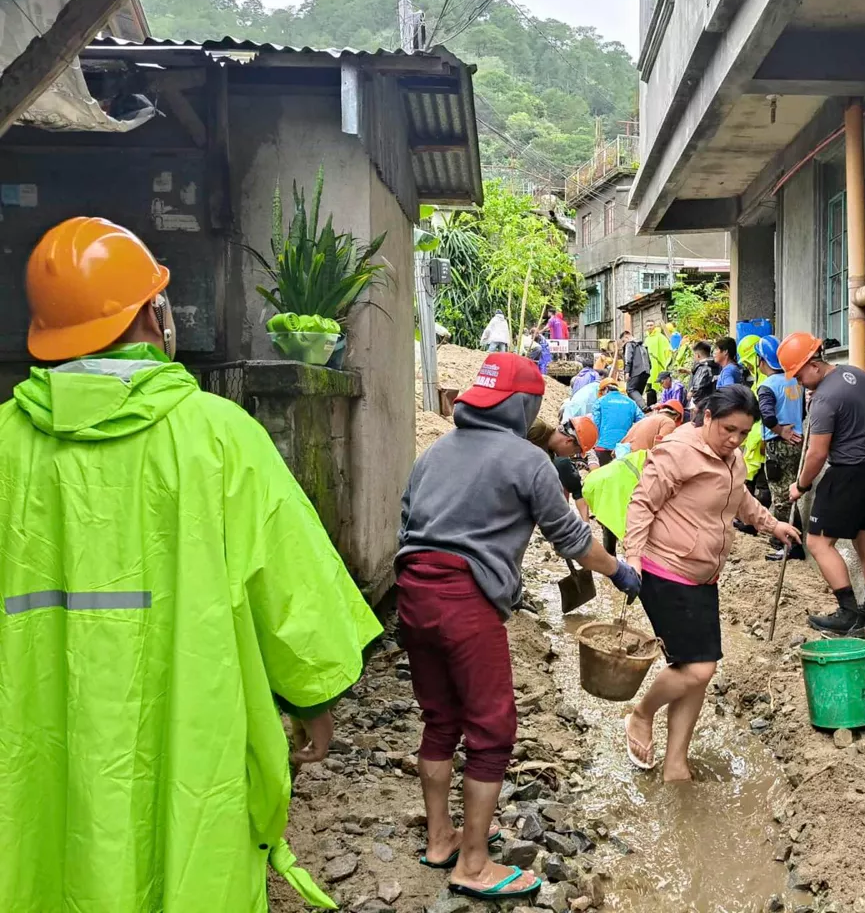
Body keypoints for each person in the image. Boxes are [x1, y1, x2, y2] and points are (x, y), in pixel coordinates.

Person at [0, 217, 383, 912]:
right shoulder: (219, 438)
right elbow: (298, 606)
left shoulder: (5, 448)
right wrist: (311, 706)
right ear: (155, 314)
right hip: (190, 760)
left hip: (31, 772)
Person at [397, 353, 640, 902]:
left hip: (413, 591)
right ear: (523, 405)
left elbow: (406, 522)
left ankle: (441, 840)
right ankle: (475, 863)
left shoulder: (433, 454)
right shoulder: (527, 460)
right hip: (466, 599)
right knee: (493, 728)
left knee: (440, 718)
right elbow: (574, 540)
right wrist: (621, 570)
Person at [622, 386, 802, 782]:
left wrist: (772, 524)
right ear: (706, 417)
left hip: (704, 574)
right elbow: (642, 503)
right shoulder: (677, 451)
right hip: (664, 569)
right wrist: (632, 556)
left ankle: (675, 763)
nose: (735, 440)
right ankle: (641, 714)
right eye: (727, 429)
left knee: (695, 668)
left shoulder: (732, 458)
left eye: (743, 432)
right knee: (698, 670)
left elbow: (740, 500)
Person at [780, 332, 865, 635]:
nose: (798, 382)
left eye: (799, 375)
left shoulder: (824, 399)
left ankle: (849, 613)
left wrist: (800, 485)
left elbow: (816, 454)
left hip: (848, 474)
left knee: (817, 541)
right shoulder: (855, 374)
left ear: (813, 364)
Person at [756, 335, 806, 562]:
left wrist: (780, 430)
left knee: (781, 496)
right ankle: (794, 541)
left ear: (762, 361)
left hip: (779, 446)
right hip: (798, 443)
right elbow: (802, 413)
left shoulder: (767, 386)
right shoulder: (794, 380)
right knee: (791, 493)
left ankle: (787, 545)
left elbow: (767, 416)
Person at [528, 414, 599, 521]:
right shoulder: (536, 429)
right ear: (569, 441)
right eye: (575, 451)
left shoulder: (549, 456)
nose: (570, 455)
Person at [592, 380, 645, 465]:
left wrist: (598, 440)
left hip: (604, 445)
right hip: (624, 447)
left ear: (606, 389)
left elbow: (596, 423)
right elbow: (642, 421)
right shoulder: (631, 402)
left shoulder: (600, 401)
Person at [688, 340, 718, 421]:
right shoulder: (717, 366)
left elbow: (698, 387)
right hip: (713, 404)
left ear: (698, 355)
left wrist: (696, 404)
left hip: (701, 406)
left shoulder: (702, 368)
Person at [622, 328, 651, 410]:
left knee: (630, 389)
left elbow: (628, 358)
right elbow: (649, 360)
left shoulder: (629, 344)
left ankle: (643, 407)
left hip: (636, 370)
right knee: (637, 393)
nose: (624, 344)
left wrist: (627, 372)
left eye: (623, 341)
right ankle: (639, 409)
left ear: (627, 337)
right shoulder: (643, 345)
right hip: (646, 371)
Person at [644, 321, 672, 405]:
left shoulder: (660, 337)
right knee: (649, 388)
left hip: (658, 366)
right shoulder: (647, 339)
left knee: (661, 387)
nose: (649, 327)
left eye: (651, 325)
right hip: (649, 367)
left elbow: (667, 349)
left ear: (654, 326)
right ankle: (650, 408)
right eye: (648, 325)